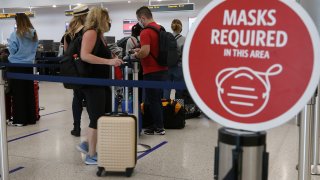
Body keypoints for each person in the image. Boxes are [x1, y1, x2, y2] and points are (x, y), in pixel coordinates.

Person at [76, 7, 123, 165]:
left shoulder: (100, 35)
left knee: (103, 115)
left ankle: (87, 144)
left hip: (101, 81)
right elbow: (85, 55)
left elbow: (99, 53)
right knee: (96, 117)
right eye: (106, 18)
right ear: (99, 18)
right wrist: (108, 61)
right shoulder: (91, 32)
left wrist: (111, 57)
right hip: (92, 81)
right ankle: (90, 154)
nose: (108, 21)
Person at [134, 6, 168, 135]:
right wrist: (141, 50)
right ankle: (158, 124)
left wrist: (137, 54)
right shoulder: (160, 29)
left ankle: (159, 127)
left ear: (143, 18)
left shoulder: (145, 32)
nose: (139, 22)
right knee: (157, 99)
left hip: (151, 70)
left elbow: (145, 52)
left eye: (139, 20)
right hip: (162, 69)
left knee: (153, 99)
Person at [7, 13, 38, 126]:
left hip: (16, 65)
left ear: (18, 22)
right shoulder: (34, 34)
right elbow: (34, 49)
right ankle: (31, 118)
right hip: (29, 65)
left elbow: (12, 49)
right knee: (28, 92)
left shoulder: (15, 34)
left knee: (18, 93)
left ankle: (20, 120)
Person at [63, 4, 89, 137]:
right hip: (87, 67)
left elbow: (65, 53)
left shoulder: (68, 33)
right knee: (90, 97)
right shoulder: (87, 31)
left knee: (77, 97)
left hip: (73, 69)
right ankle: (94, 127)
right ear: (85, 16)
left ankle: (76, 128)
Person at [163, 19, 186, 99]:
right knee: (179, 90)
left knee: (166, 89)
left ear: (172, 27)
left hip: (167, 67)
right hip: (179, 67)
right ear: (181, 28)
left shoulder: (166, 38)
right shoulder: (184, 39)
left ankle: (165, 108)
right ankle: (178, 108)